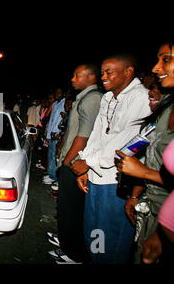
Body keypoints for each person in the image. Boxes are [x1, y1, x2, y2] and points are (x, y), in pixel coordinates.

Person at [71, 54, 152, 264]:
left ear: (128, 72)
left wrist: (88, 163)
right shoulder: (107, 97)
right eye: (103, 72)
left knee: (113, 237)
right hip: (97, 176)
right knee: (94, 230)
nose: (104, 76)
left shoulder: (141, 97)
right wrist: (87, 165)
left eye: (109, 72)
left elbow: (126, 142)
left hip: (116, 181)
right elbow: (98, 134)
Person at [114, 43, 174, 263]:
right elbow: (152, 158)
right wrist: (135, 196)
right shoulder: (166, 109)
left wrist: (143, 172)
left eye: (166, 59)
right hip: (152, 209)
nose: (156, 69)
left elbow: (149, 169)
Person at [47, 64, 102, 264]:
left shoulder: (92, 98)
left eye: (77, 75)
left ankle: (73, 253)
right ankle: (65, 241)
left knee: (73, 210)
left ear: (91, 77)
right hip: (72, 160)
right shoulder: (84, 98)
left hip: (76, 164)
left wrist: (67, 162)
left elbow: (84, 136)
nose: (72, 79)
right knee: (66, 208)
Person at [43, 87, 65, 185]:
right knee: (51, 155)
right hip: (51, 133)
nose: (57, 94)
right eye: (56, 93)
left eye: (59, 93)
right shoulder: (55, 104)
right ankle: (51, 174)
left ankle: (55, 177)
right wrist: (49, 132)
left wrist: (56, 132)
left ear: (63, 93)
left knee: (55, 156)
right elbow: (51, 119)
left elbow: (61, 120)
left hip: (57, 134)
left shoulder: (64, 103)